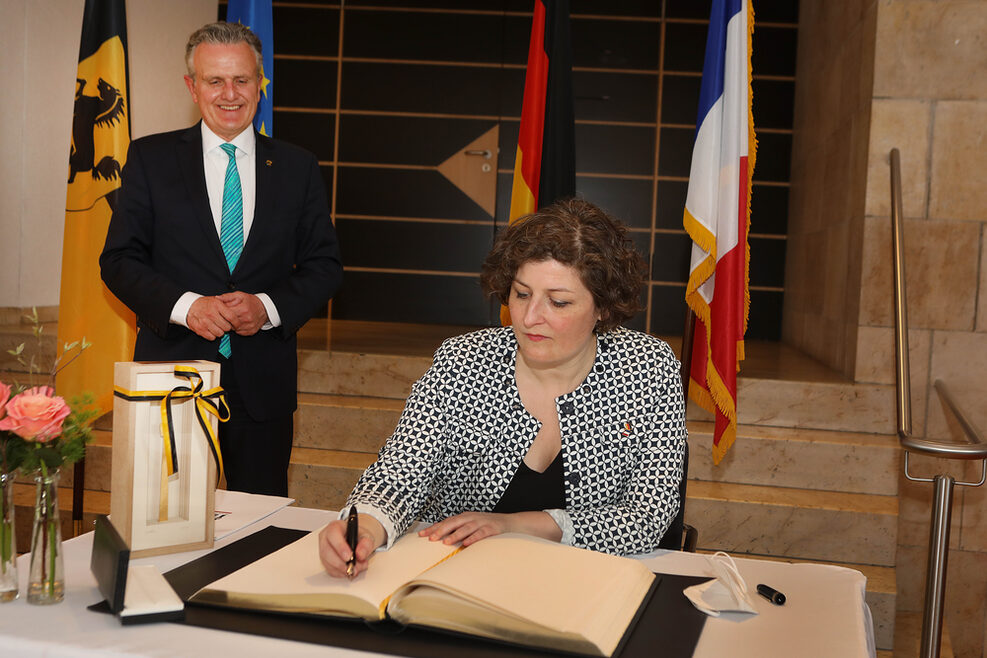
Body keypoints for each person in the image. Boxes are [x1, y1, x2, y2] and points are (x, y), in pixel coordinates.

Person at [319, 198, 686, 578]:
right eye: (522, 294)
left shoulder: (648, 368)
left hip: (583, 582)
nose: (529, 318)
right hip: (455, 576)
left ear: (603, 309)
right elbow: (399, 474)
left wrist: (517, 525)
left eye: (558, 302)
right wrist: (364, 528)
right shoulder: (464, 361)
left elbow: (647, 515)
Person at [100, 22, 342, 496]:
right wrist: (187, 306)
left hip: (262, 388)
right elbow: (119, 259)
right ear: (192, 87)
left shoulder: (298, 166)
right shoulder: (150, 158)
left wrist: (267, 308)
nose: (230, 94)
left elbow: (325, 265)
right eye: (215, 81)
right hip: (171, 378)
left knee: (261, 527)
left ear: (259, 83)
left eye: (242, 80)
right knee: (167, 522)